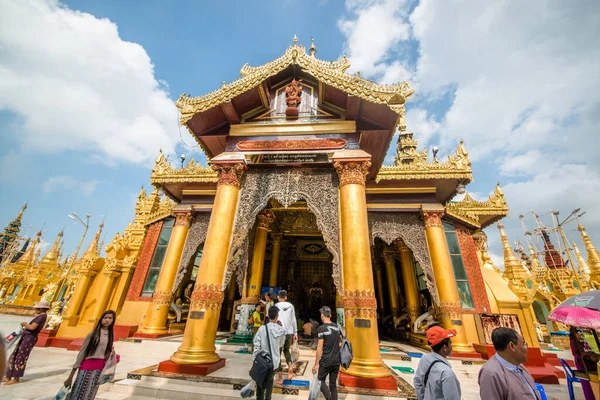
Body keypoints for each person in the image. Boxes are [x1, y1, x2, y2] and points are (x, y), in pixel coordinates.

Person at [64, 310, 117, 399]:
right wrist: (70, 376)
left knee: (90, 395)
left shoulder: (111, 335)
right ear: (101, 319)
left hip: (98, 370)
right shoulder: (93, 334)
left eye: (110, 318)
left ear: (113, 320)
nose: (107, 320)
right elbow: (83, 352)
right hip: (86, 368)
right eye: (105, 318)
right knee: (78, 393)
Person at [478, 327, 539, 400]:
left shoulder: (519, 366)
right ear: (512, 346)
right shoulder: (491, 373)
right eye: (523, 344)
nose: (526, 348)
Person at [3, 300, 50, 385]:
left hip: (29, 338)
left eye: (38, 308)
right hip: (26, 337)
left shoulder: (41, 317)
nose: (36, 310)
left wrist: (24, 324)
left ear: (42, 309)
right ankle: (8, 376)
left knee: (21, 358)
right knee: (15, 355)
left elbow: (32, 327)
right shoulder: (41, 316)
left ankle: (16, 378)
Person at [413, 325, 461, 400]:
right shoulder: (446, 373)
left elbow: (417, 382)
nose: (451, 347)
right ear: (444, 348)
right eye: (450, 344)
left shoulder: (425, 359)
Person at [253, 306, 286, 400]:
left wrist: (254, 359)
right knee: (270, 382)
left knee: (260, 383)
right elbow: (281, 344)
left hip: (262, 361)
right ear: (277, 317)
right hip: (274, 361)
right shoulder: (281, 330)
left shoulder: (262, 329)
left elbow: (256, 344)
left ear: (268, 316)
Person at [312, 306, 341, 400]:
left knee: (320, 380)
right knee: (333, 385)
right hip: (336, 360)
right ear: (331, 315)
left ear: (322, 316)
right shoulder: (337, 327)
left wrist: (316, 364)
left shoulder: (322, 328)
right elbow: (341, 343)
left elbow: (320, 347)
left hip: (326, 360)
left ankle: (329, 398)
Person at [275, 289, 297, 384]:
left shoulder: (276, 306)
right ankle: (290, 367)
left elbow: (274, 319)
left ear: (278, 297)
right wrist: (295, 333)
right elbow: (293, 320)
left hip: (280, 332)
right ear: (286, 297)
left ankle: (280, 377)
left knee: (278, 353)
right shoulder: (291, 306)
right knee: (286, 350)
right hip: (289, 331)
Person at [569, 326, 596, 400]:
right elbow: (576, 353)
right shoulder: (574, 342)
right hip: (583, 364)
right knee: (588, 387)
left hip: (593, 363)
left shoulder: (590, 338)